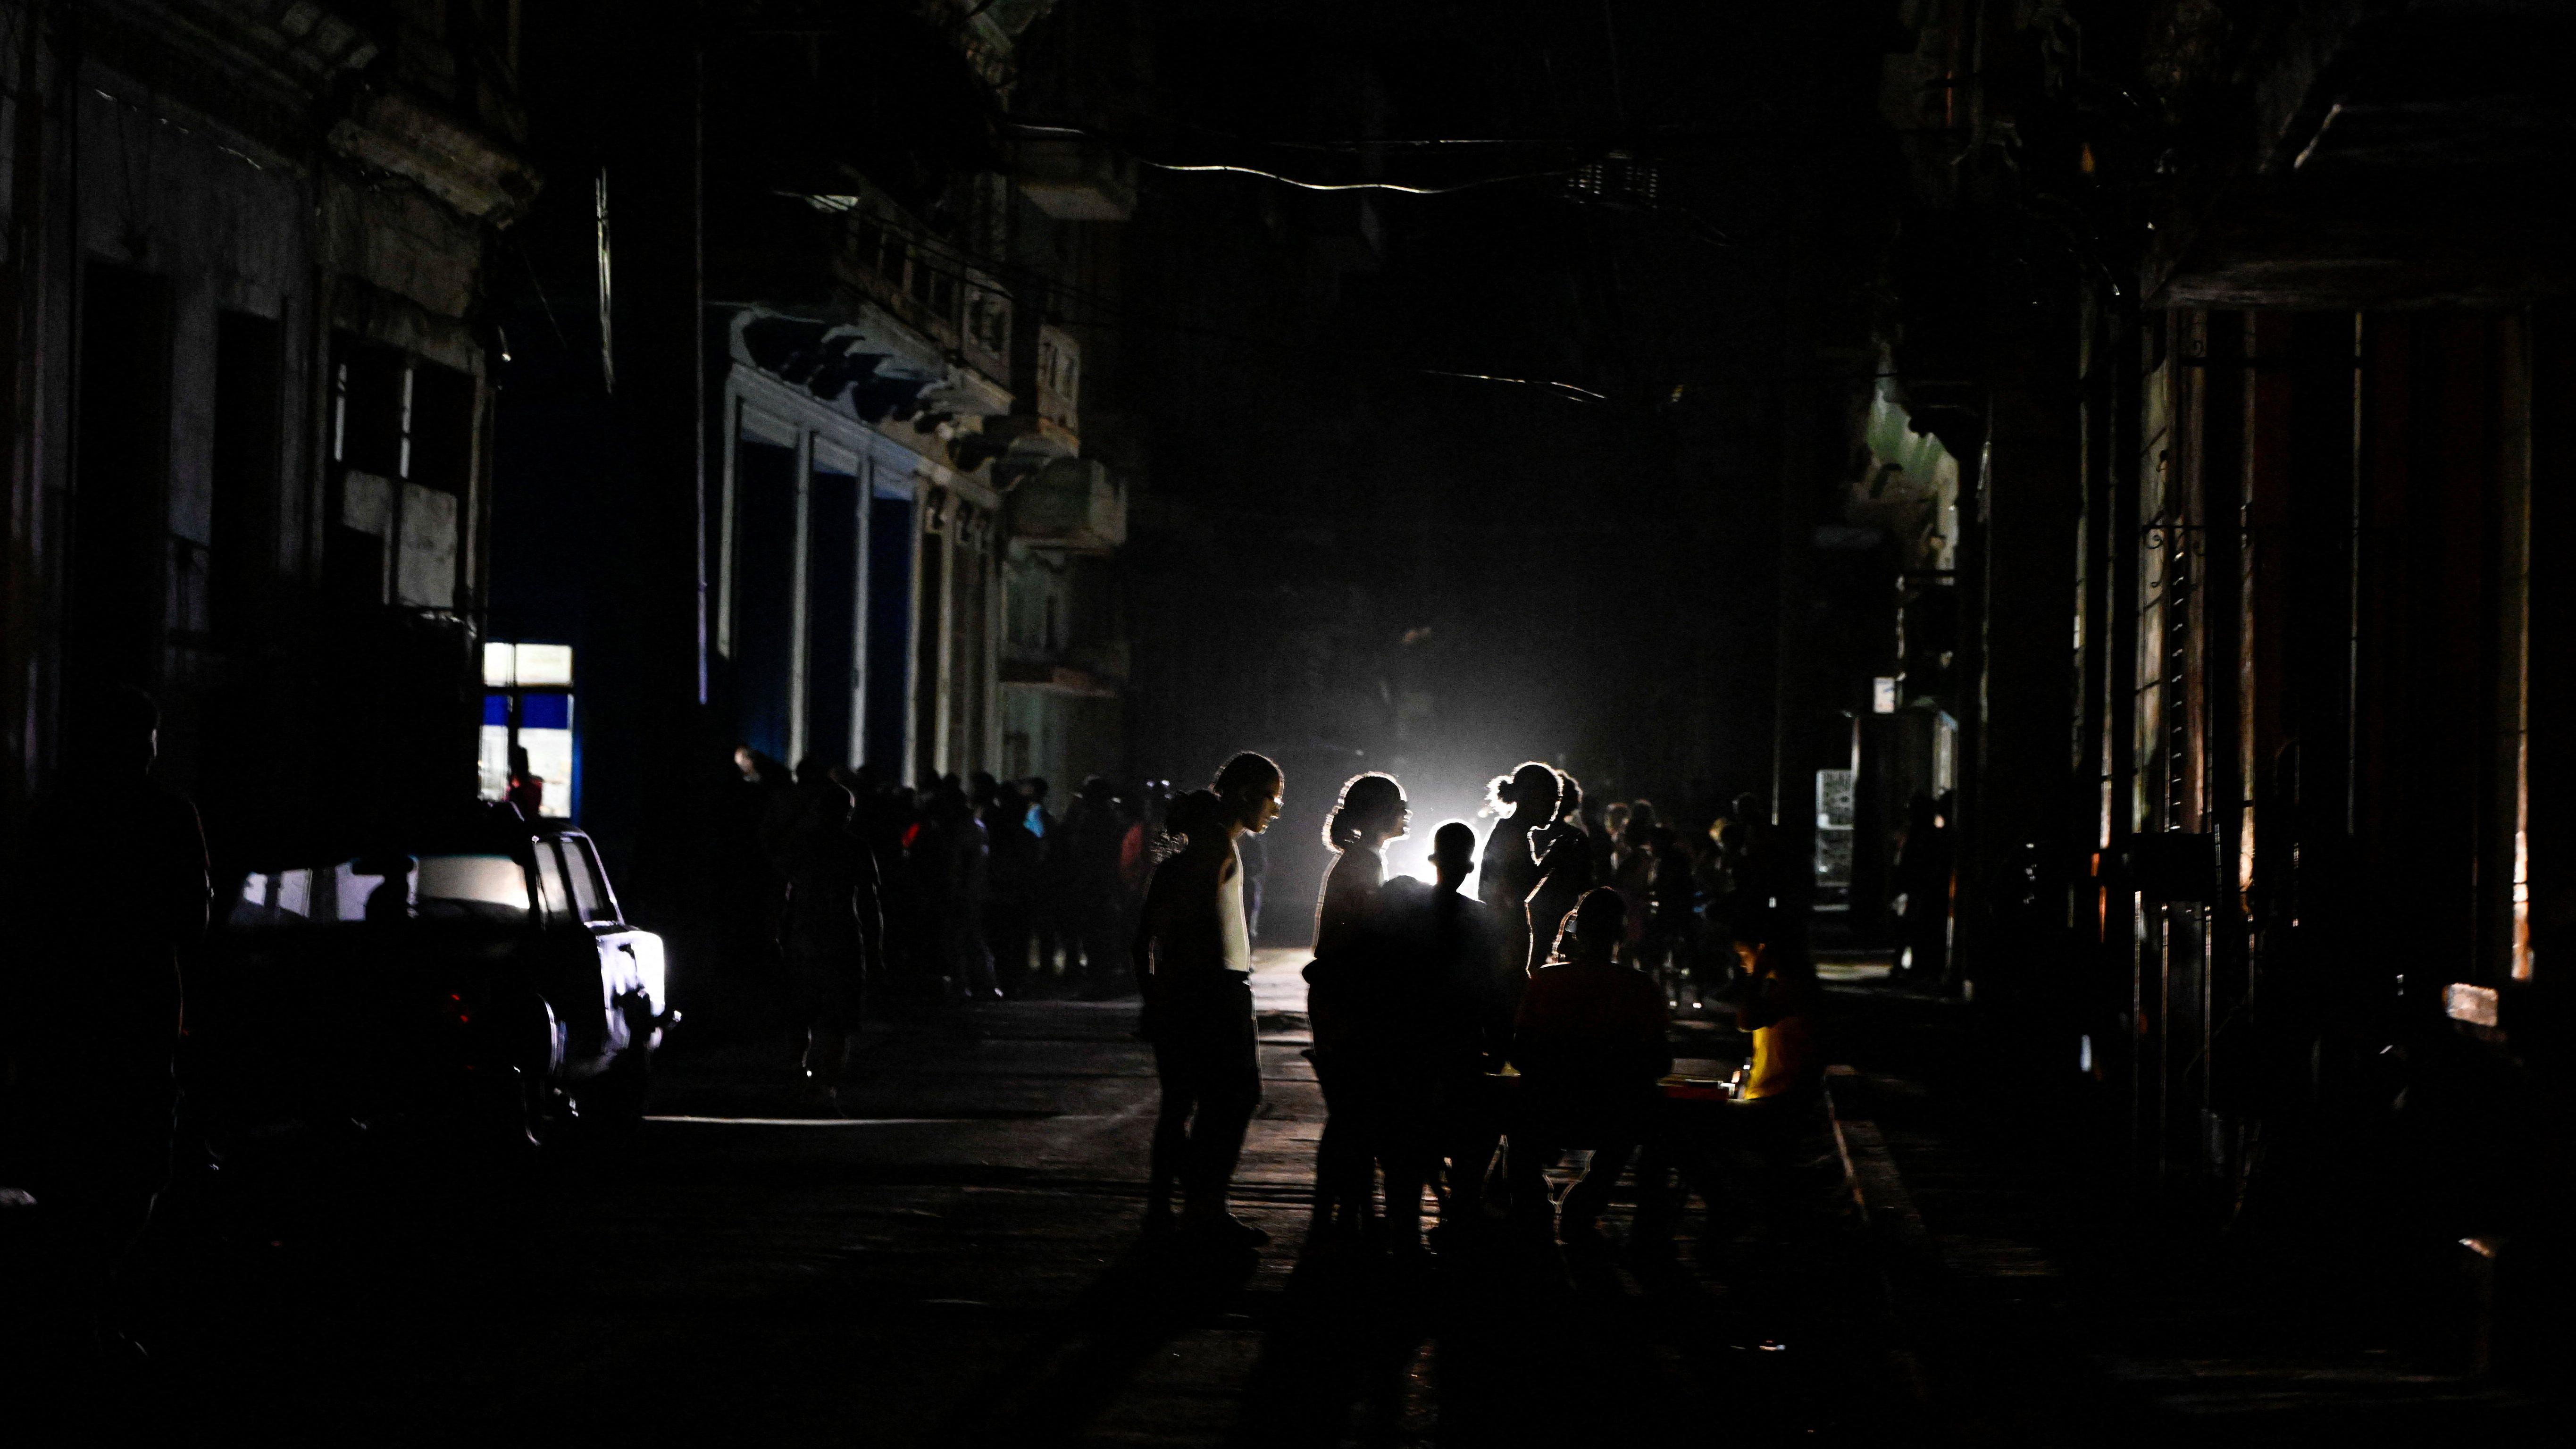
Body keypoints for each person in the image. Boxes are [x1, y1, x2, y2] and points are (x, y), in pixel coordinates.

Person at [2, 687, 209, 1355]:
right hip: (139, 1023)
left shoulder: (53, 818)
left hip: (62, 1025)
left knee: (68, 1169)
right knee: (135, 1168)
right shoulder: (169, 816)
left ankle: (64, 1313)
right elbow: (193, 921)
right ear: (143, 743)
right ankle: (87, 1310)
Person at [1129, 753, 1283, 1244]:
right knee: (1233, 1099)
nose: (1275, 810)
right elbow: (1196, 927)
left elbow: (1147, 937)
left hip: (1188, 993)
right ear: (1246, 794)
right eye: (1272, 797)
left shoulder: (1197, 847)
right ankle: (1204, 1208)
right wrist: (1210, 993)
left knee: (1181, 1103)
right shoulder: (1216, 846)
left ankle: (1167, 1208)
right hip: (1214, 993)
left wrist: (1156, 999)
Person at [1507, 888, 1672, 1245]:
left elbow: (1520, 1055)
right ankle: (1594, 1198)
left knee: (1513, 1106)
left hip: (1547, 1108)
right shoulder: (1640, 988)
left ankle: (1529, 1203)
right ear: (1621, 933)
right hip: (1614, 1114)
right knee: (1654, 1108)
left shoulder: (1546, 981)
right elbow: (1660, 1062)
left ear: (1577, 931)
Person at [1301, 772, 1422, 1245]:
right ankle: (1340, 1217)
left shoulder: (1360, 859)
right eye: (1399, 805)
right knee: (1353, 1114)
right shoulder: (1363, 864)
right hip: (1345, 1001)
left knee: (1350, 1114)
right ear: (1378, 814)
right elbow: (1354, 941)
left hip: (1338, 996)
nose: (1406, 813)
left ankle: (1343, 1213)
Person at [780, 761, 883, 1087]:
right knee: (839, 1017)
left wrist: (780, 934)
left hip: (803, 936)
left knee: (801, 1009)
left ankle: (797, 1070)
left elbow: (783, 894)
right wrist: (875, 948)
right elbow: (869, 903)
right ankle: (827, 1082)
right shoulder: (856, 848)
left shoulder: (799, 845)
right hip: (843, 937)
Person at [1478, 762, 1557, 1008]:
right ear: (1534, 798)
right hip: (1506, 931)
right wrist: (1553, 859)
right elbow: (1519, 886)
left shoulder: (1511, 831)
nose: (1555, 808)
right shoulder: (1512, 835)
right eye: (1552, 799)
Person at [1522, 769, 1594, 977]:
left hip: (1536, 908)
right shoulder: (1576, 837)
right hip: (1565, 909)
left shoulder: (1534, 833)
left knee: (1534, 962)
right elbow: (1587, 881)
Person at [1890, 793, 1952, 982]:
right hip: (1921, 888)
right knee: (1913, 928)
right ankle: (1913, 966)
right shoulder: (1927, 834)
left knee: (1913, 928)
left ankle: (1913, 967)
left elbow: (1911, 863)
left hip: (1921, 889)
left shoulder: (1923, 835)